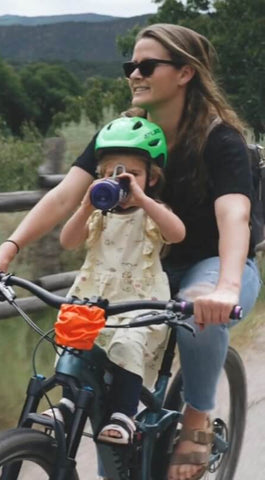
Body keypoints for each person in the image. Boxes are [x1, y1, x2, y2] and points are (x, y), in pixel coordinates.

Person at [0, 23, 261, 480]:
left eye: (146, 65)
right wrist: (6, 251)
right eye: (130, 66)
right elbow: (66, 196)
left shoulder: (220, 141)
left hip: (214, 262)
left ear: (185, 74)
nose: (134, 74)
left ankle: (197, 418)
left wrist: (223, 287)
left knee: (200, 319)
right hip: (140, 272)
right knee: (100, 375)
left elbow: (234, 215)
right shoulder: (121, 134)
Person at [43, 116, 185, 445]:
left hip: (136, 303)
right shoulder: (97, 216)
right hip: (93, 299)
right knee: (72, 341)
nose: (119, 181)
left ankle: (124, 414)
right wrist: (85, 206)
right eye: (109, 174)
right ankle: (67, 402)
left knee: (127, 344)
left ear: (151, 178)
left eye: (131, 174)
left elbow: (176, 233)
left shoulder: (151, 212)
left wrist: (143, 200)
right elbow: (68, 240)